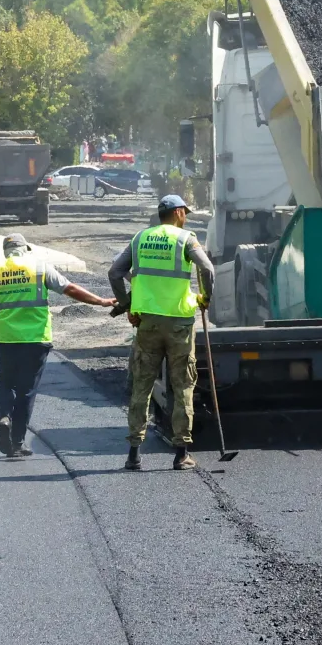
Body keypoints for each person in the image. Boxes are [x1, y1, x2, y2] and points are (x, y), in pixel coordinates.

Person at [0, 233, 114, 458]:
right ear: (25, 249)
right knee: (26, 390)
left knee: (6, 382)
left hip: (6, 336)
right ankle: (18, 441)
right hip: (36, 337)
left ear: (6, 252)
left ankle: (4, 416)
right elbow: (69, 288)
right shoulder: (39, 268)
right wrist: (100, 301)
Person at [110, 194, 216, 472]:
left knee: (142, 386)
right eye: (186, 213)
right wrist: (204, 298)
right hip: (179, 324)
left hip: (147, 324)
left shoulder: (140, 239)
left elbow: (114, 272)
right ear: (179, 212)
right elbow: (207, 268)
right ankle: (181, 454)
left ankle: (134, 453)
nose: (187, 217)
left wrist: (127, 305)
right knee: (182, 386)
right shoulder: (185, 239)